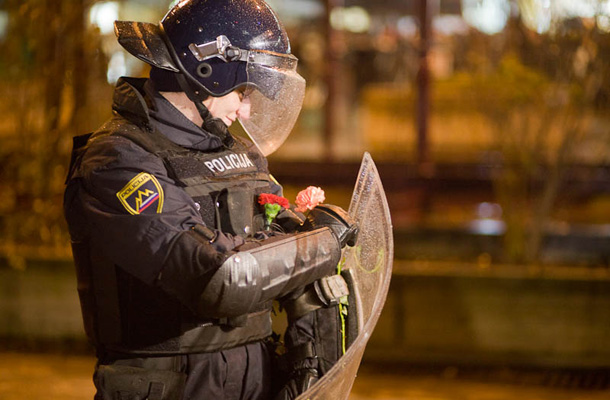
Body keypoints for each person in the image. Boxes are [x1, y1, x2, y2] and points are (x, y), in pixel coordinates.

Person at [63, 1, 357, 399]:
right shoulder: (117, 161)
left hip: (256, 379)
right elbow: (220, 278)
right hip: (171, 386)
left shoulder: (238, 155)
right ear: (206, 73)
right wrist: (322, 243)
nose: (247, 107)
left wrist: (308, 363)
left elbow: (292, 262)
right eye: (242, 90)